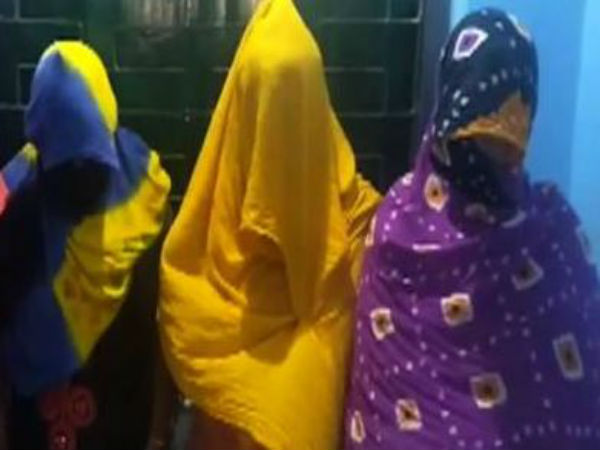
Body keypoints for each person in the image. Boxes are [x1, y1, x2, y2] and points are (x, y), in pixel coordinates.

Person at [344, 9, 600, 450]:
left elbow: (574, 390)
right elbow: (382, 396)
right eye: (475, 140)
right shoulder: (398, 226)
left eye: (506, 148)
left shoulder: (551, 236)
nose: (490, 161)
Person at [158, 0, 381, 449]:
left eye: (291, 109)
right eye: (268, 106)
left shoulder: (364, 233)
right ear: (245, 108)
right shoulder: (197, 260)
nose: (278, 143)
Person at [0, 41, 174, 450]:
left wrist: (158, 434)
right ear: (43, 146)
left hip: (124, 430)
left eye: (91, 159)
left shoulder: (145, 204)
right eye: (67, 161)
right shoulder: (13, 208)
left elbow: (164, 328)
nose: (81, 173)